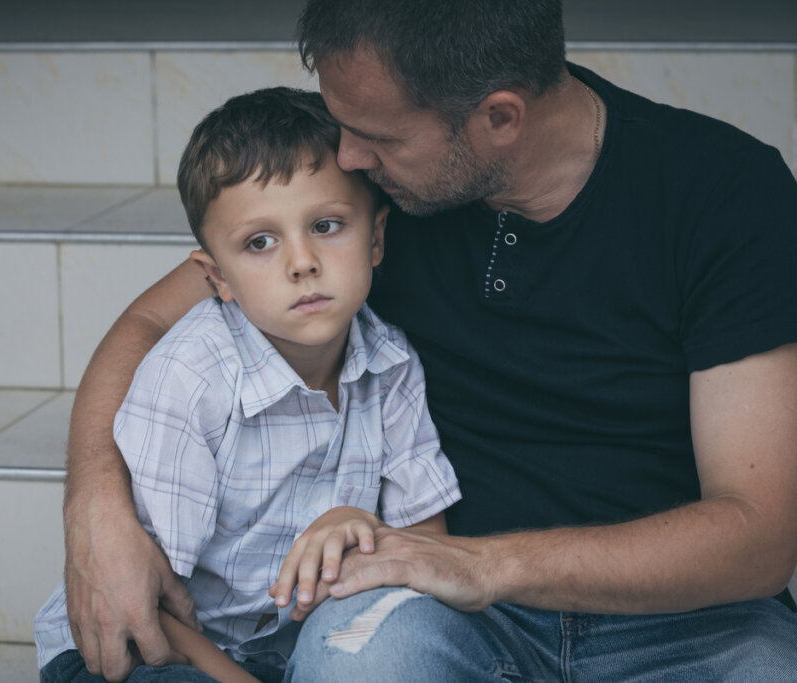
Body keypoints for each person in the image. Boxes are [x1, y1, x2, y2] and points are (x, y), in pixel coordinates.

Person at [61, 1, 797, 680]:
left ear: (498, 119)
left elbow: (759, 534)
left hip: (684, 620)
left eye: (375, 137)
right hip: (438, 607)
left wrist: (482, 563)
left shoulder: (723, 192)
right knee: (356, 661)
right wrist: (96, 503)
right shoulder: (366, 200)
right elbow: (154, 321)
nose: (346, 157)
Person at [36, 86, 460, 683]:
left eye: (327, 225)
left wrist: (360, 526)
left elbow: (428, 548)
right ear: (217, 277)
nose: (301, 262)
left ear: (376, 238)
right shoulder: (192, 376)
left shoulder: (392, 366)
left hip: (284, 648)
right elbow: (144, 595)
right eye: (259, 243)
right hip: (150, 643)